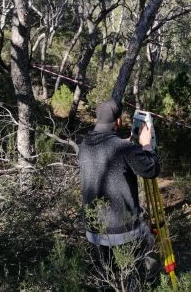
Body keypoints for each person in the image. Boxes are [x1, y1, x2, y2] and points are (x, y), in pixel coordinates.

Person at [79, 98, 160, 284]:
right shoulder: (124, 149)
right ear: (118, 122)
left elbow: (106, 153)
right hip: (123, 233)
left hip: (95, 230)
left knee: (106, 278)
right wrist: (146, 144)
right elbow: (151, 169)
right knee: (135, 274)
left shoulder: (84, 145)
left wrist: (125, 145)